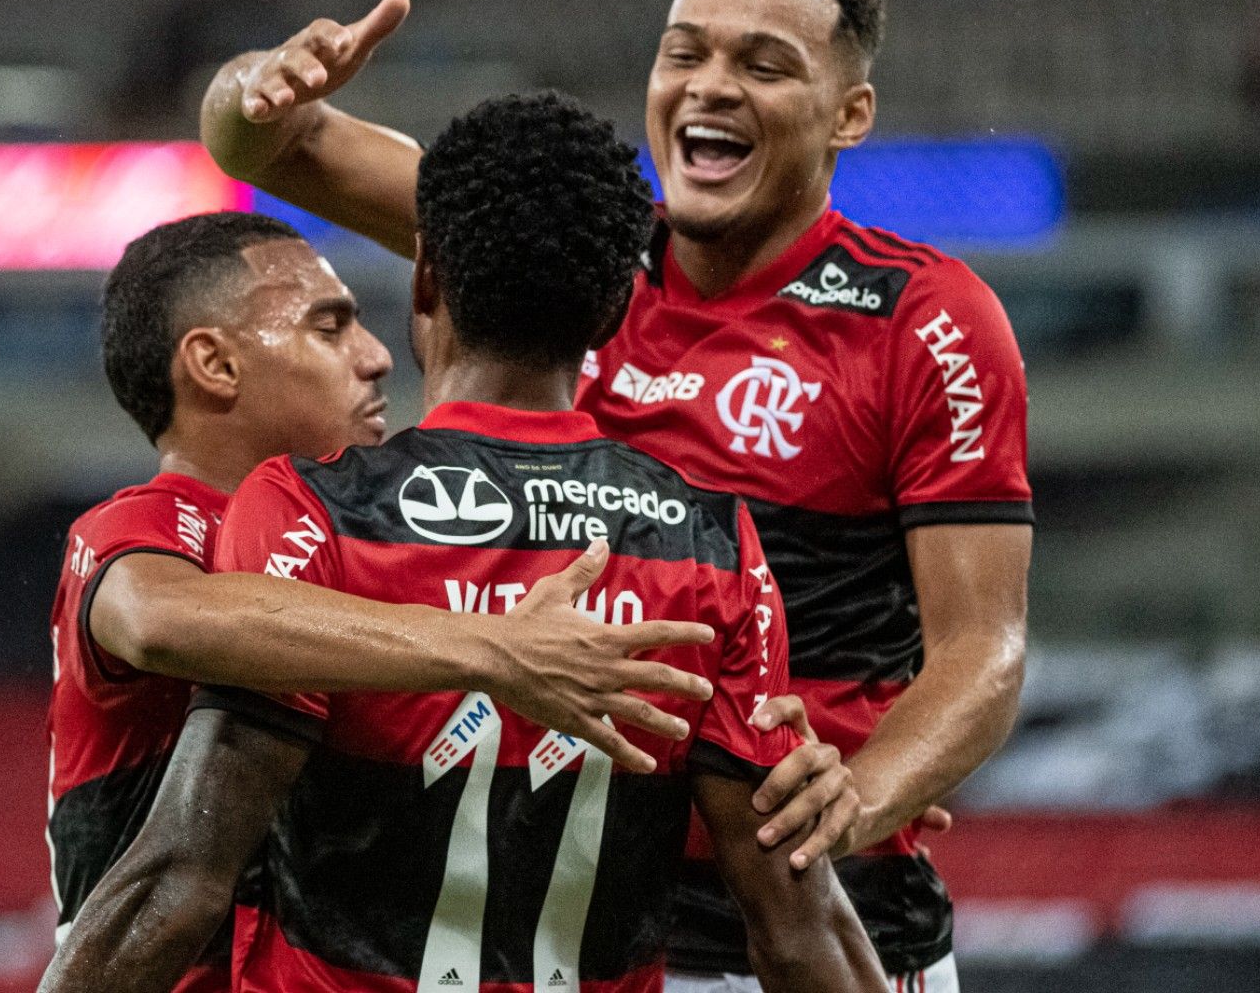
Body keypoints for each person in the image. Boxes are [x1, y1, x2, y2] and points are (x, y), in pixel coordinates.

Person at [197, 0, 1033, 991]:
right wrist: (255, 85)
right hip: (594, 938)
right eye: (685, 53)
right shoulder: (570, 244)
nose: (710, 85)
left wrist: (864, 793)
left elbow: (985, 650)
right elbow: (262, 144)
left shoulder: (926, 319)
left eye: (764, 65)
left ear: (848, 114)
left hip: (828, 925)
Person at [46, 91, 888, 993]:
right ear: (614, 315)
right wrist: (838, 789)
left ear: (426, 279)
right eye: (331, 326)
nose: (372, 354)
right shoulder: (710, 541)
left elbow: (183, 873)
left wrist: (847, 792)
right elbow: (797, 927)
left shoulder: (308, 514)